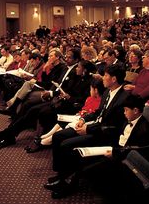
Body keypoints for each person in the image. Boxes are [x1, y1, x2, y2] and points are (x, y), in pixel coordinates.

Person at [44, 64, 129, 199]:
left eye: (106, 76)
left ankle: (69, 183)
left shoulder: (123, 98)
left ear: (114, 79)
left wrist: (88, 129)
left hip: (105, 135)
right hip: (95, 127)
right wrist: (83, 120)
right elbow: (98, 113)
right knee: (58, 136)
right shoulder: (108, 91)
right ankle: (61, 175)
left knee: (67, 145)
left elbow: (114, 127)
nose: (103, 79)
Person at [40, 74, 104, 146]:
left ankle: (49, 139)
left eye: (91, 89)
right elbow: (84, 108)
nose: (90, 91)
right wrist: (80, 113)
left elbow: (92, 113)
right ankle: (49, 135)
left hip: (85, 120)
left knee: (66, 124)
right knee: (59, 123)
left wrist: (83, 114)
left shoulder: (100, 102)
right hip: (80, 116)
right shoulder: (89, 98)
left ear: (96, 90)